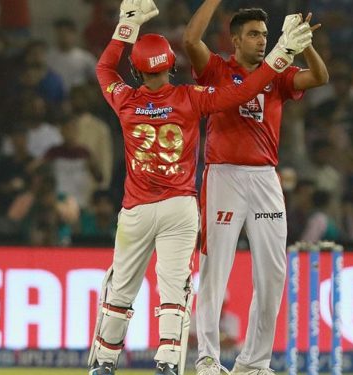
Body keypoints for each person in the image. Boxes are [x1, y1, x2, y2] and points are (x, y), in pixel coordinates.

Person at [87, 1, 314, 375]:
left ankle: (105, 362)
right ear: (172, 66)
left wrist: (125, 28)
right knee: (176, 290)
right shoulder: (190, 98)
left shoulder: (123, 99)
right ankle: (168, 363)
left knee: (121, 289)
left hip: (136, 208)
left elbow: (104, 68)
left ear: (137, 69)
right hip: (179, 206)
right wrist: (281, 55)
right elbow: (242, 93)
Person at [182, 1, 329, 374]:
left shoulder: (276, 74)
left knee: (274, 271)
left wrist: (303, 43)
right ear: (235, 39)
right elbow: (189, 39)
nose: (262, 41)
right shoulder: (217, 69)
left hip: (265, 177)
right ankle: (208, 359)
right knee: (215, 269)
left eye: (265, 35)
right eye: (253, 34)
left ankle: (254, 362)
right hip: (224, 175)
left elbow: (320, 78)